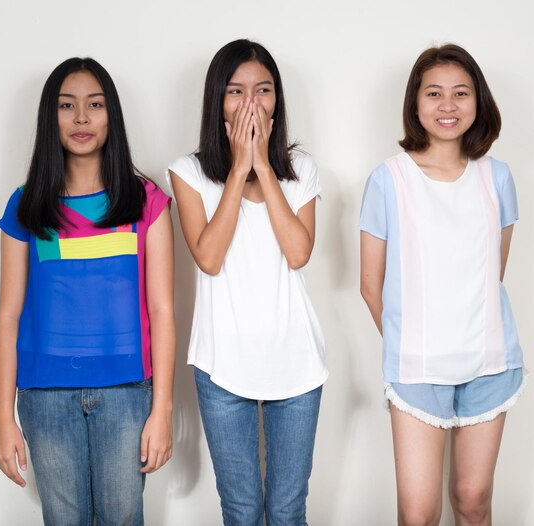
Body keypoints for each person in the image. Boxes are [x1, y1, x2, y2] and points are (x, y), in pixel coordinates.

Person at [0, 57, 175, 525]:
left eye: (94, 105)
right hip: (44, 397)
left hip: (127, 394)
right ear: (48, 118)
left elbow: (163, 309)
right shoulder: (26, 206)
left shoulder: (145, 201)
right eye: (66, 106)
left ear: (110, 114)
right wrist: (2, 416)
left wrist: (162, 410)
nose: (80, 118)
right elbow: (8, 315)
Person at [359, 44, 525, 526]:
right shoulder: (388, 180)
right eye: (434, 93)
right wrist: (413, 344)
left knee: (473, 500)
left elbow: (493, 272)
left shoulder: (498, 178)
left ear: (479, 102)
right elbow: (372, 285)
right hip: (416, 368)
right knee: (418, 513)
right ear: (415, 103)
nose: (447, 105)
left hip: (490, 362)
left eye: (461, 93)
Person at [167, 39, 327, 526]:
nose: (251, 103)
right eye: (236, 91)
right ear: (217, 100)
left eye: (263, 90)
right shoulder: (189, 173)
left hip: (296, 361)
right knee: (240, 510)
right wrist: (239, 169)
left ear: (278, 100)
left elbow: (299, 253)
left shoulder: (301, 172)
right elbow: (209, 258)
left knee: (286, 509)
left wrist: (264, 168)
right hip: (222, 364)